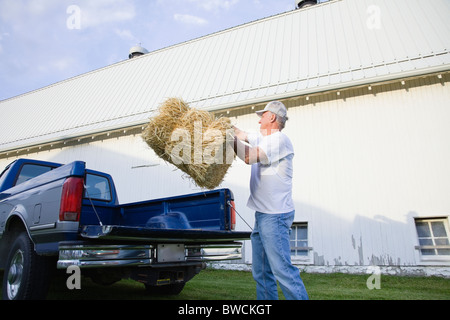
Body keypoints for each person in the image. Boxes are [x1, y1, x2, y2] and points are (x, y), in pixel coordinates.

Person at [231, 101, 308, 300]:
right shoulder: (264, 139)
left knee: (283, 271)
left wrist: (227, 139)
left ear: (272, 117)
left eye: (262, 115)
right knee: (262, 273)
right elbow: (240, 134)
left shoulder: (279, 140)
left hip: (275, 217)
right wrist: (221, 127)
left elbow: (249, 157)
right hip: (263, 216)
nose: (259, 119)